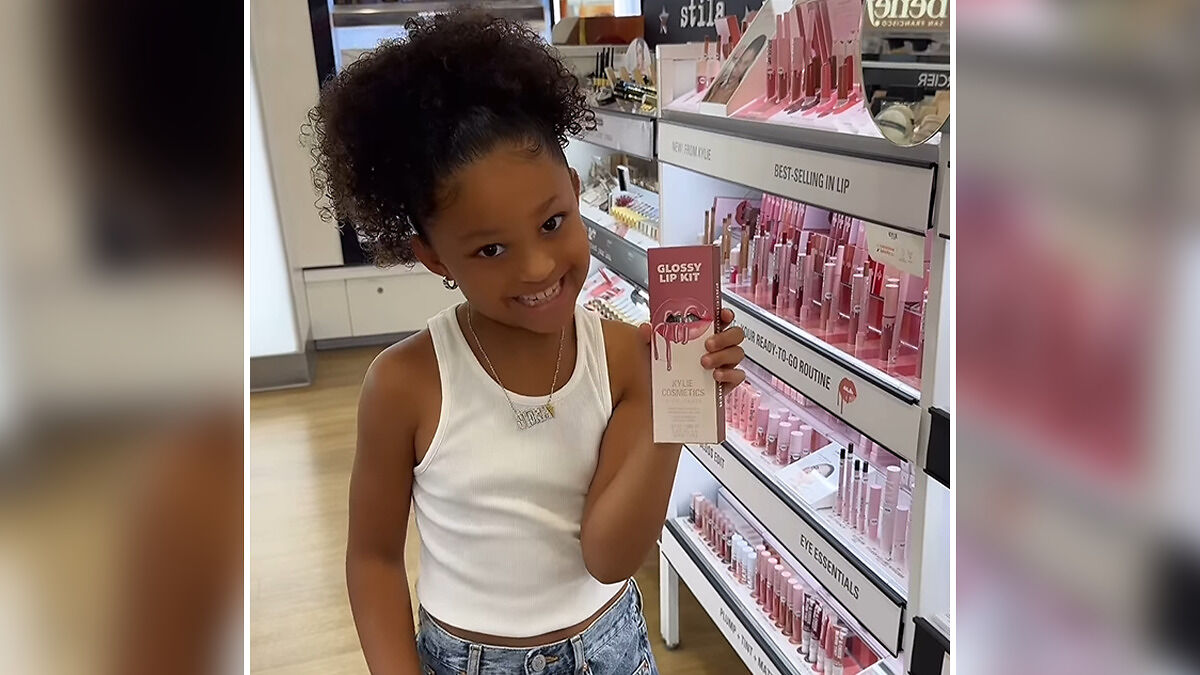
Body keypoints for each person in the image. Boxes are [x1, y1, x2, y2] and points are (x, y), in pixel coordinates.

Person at [307, 11, 747, 674]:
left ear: (575, 191)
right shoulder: (405, 384)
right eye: (490, 248)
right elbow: (371, 557)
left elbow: (610, 556)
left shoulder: (627, 358)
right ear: (433, 257)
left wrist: (676, 403)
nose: (539, 267)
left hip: (608, 648)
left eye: (552, 222)